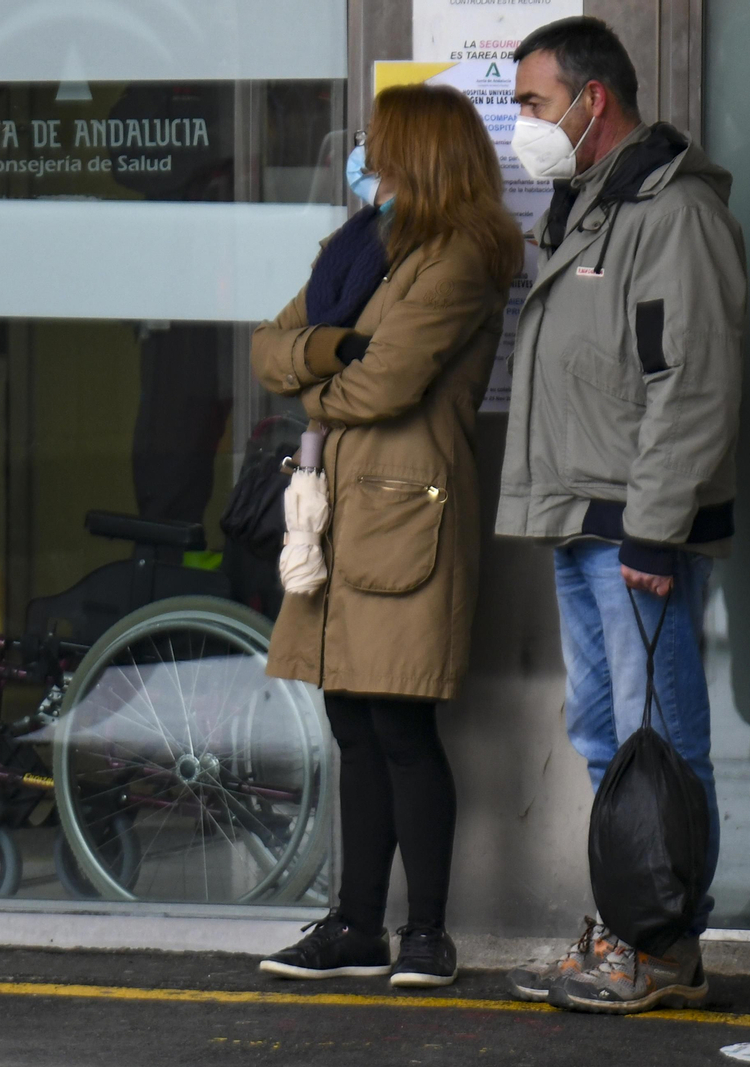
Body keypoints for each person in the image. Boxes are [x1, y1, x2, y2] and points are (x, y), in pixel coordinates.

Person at [494, 17, 745, 1014]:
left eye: (531, 100)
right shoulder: (588, 206)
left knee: (663, 745)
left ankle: (665, 942)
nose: (521, 121)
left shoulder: (669, 212)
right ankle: (629, 923)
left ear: (592, 98)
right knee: (607, 733)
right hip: (583, 520)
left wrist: (654, 523)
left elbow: (691, 380)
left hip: (634, 529)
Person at [252, 84, 521, 988]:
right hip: (339, 508)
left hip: (408, 510)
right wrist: (328, 356)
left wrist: (309, 382)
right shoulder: (364, 244)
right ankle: (357, 926)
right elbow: (270, 342)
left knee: (401, 722)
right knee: (351, 722)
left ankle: (427, 935)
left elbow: (388, 386)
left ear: (421, 153)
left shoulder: (459, 255)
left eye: (378, 144)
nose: (364, 158)